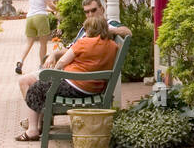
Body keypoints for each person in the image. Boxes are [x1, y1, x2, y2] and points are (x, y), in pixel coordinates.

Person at [16, 12, 119, 141]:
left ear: (90, 30)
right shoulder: (113, 45)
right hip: (95, 87)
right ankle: (37, 124)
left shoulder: (84, 43)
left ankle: (32, 130)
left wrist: (54, 73)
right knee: (40, 84)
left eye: (86, 29)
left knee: (36, 88)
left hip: (75, 86)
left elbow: (62, 62)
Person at [42, 0, 130, 68]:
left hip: (81, 74)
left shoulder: (108, 24)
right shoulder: (86, 27)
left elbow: (127, 32)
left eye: (93, 10)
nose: (90, 14)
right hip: (73, 69)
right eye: (87, 12)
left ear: (102, 9)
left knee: (31, 80)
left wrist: (106, 31)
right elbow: (72, 48)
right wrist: (54, 54)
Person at [15, 0, 57, 75]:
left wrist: (49, 10)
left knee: (29, 43)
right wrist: (59, 9)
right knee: (43, 43)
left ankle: (20, 62)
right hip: (41, 18)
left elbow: (38, 6)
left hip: (30, 18)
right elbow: (50, 5)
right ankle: (42, 65)